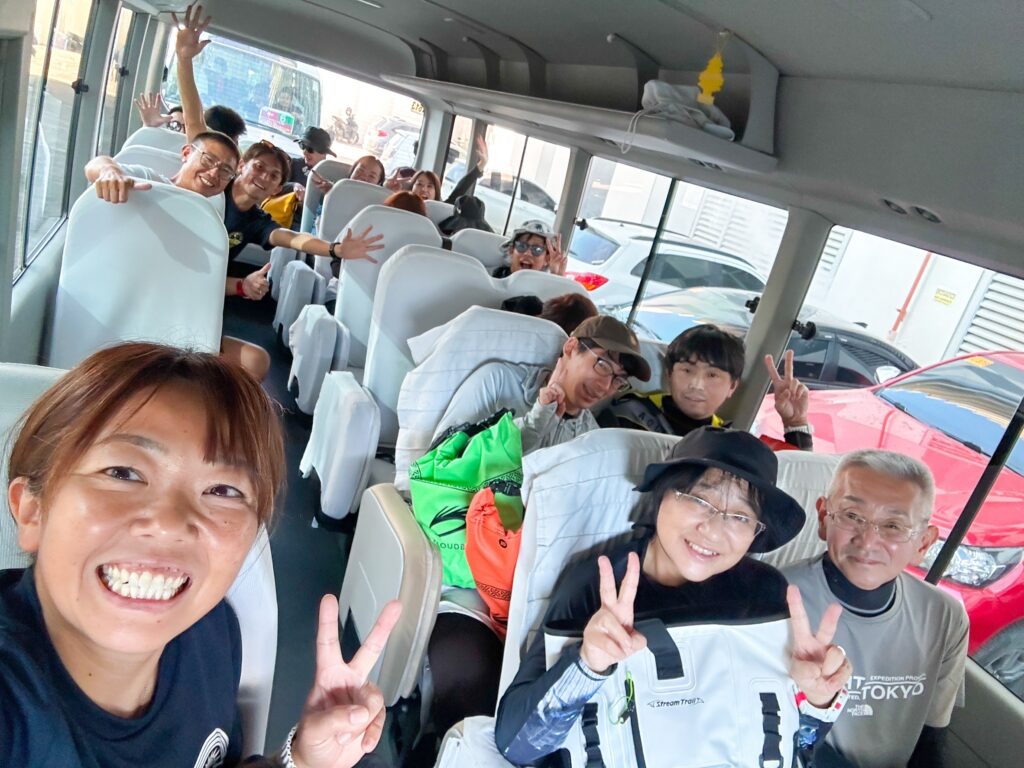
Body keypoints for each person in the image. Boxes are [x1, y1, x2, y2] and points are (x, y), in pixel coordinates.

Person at [0, 341, 401, 767]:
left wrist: (300, 760)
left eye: (222, 490)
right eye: (123, 473)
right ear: (32, 511)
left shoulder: (212, 633)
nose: (170, 523)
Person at [494, 427, 852, 766]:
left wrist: (816, 701)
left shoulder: (765, 595)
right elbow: (517, 747)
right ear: (662, 495)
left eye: (740, 517)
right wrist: (588, 665)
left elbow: (797, 746)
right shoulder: (600, 587)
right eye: (700, 500)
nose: (713, 530)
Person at [782, 450, 968, 768]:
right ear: (824, 518)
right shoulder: (773, 599)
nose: (868, 541)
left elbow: (931, 740)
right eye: (852, 516)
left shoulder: (945, 617)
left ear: (923, 543)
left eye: (893, 525)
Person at [434, 314, 650, 458]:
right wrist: (532, 425)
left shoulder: (590, 437)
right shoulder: (499, 382)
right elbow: (442, 455)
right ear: (571, 347)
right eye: (602, 365)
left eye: (618, 380)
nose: (605, 387)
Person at [599, 323, 815, 451]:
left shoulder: (730, 443)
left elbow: (793, 476)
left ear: (732, 387)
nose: (697, 384)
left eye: (712, 375)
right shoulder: (628, 416)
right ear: (669, 374)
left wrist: (795, 423)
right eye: (687, 370)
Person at [492, 220, 567, 278]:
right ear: (511, 251)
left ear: (547, 259)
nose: (527, 253)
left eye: (537, 250)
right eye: (521, 246)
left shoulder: (545, 288)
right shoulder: (495, 278)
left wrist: (557, 277)